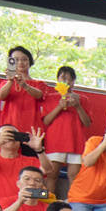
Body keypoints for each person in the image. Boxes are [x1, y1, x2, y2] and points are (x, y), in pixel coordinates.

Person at [39, 67, 92, 199]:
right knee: (51, 175)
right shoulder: (49, 98)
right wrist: (59, 106)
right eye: (63, 78)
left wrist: (78, 106)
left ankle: (74, 205)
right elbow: (46, 121)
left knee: (75, 176)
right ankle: (47, 204)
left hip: (76, 142)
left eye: (70, 79)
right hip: (55, 141)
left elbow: (87, 123)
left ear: (74, 82)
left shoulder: (83, 99)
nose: (66, 81)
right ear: (57, 80)